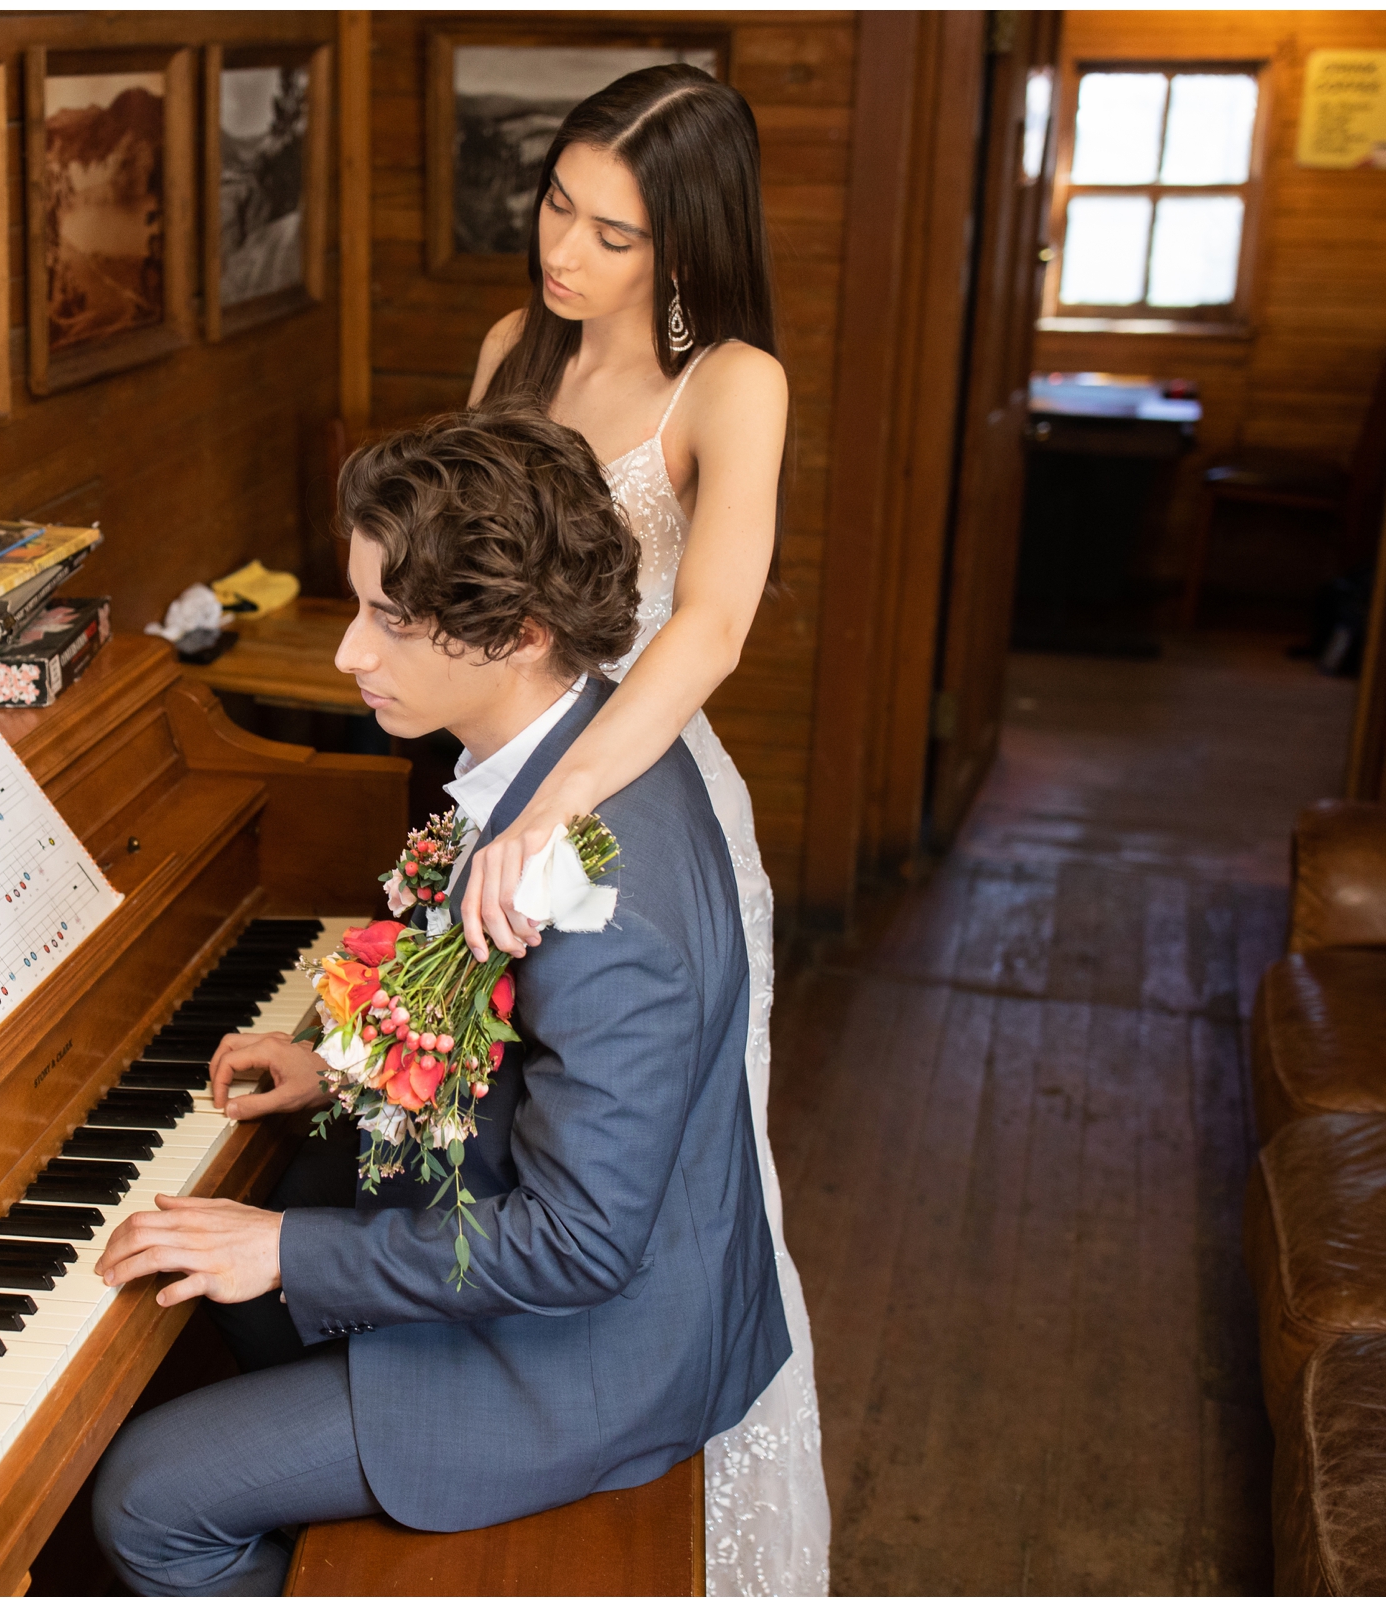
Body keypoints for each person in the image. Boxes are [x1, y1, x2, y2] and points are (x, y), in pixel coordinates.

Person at [86, 409, 789, 1595]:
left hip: (594, 1352)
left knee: (147, 1494)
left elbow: (583, 1241)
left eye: (388, 621)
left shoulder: (609, 896)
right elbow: (505, 1022)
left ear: (518, 630)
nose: (350, 653)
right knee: (268, 1230)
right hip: (581, 1274)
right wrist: (347, 1065)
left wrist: (285, 1247)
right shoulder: (559, 740)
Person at [461, 65, 829, 1595]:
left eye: (616, 234)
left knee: (671, 1162)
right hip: (499, 782)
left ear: (685, 242)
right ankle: (496, 1445)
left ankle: (676, 1518)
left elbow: (717, 622)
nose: (570, 250)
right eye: (560, 203)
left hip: (635, 793)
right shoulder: (507, 346)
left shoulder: (731, 379)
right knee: (498, 1123)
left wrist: (558, 795)